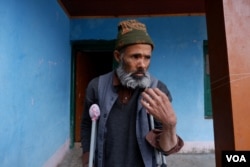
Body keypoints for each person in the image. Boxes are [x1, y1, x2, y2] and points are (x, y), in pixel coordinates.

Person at [81, 19, 184, 167]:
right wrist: (87, 160)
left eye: (147, 57)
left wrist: (170, 126)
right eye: (135, 56)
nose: (142, 65)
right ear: (118, 56)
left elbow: (166, 149)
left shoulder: (158, 90)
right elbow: (87, 125)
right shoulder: (96, 86)